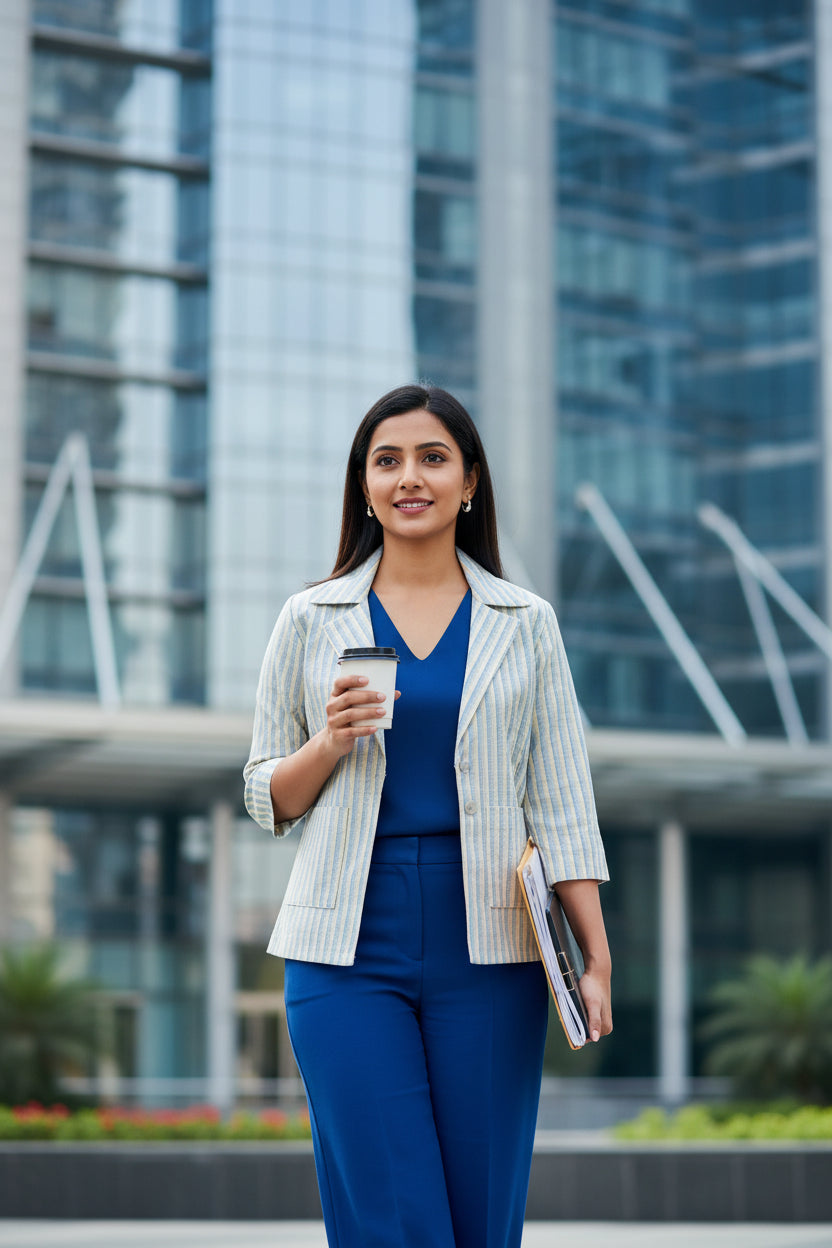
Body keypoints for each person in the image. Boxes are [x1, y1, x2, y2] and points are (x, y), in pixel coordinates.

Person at [244, 384, 612, 1248]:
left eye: (432, 457)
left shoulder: (526, 624)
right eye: (387, 460)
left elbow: (563, 803)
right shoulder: (310, 617)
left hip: (493, 941)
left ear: (470, 482)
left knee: (482, 1214)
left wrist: (593, 958)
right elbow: (267, 796)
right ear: (364, 485)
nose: (410, 477)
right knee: (390, 1212)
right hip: (344, 944)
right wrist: (329, 742)